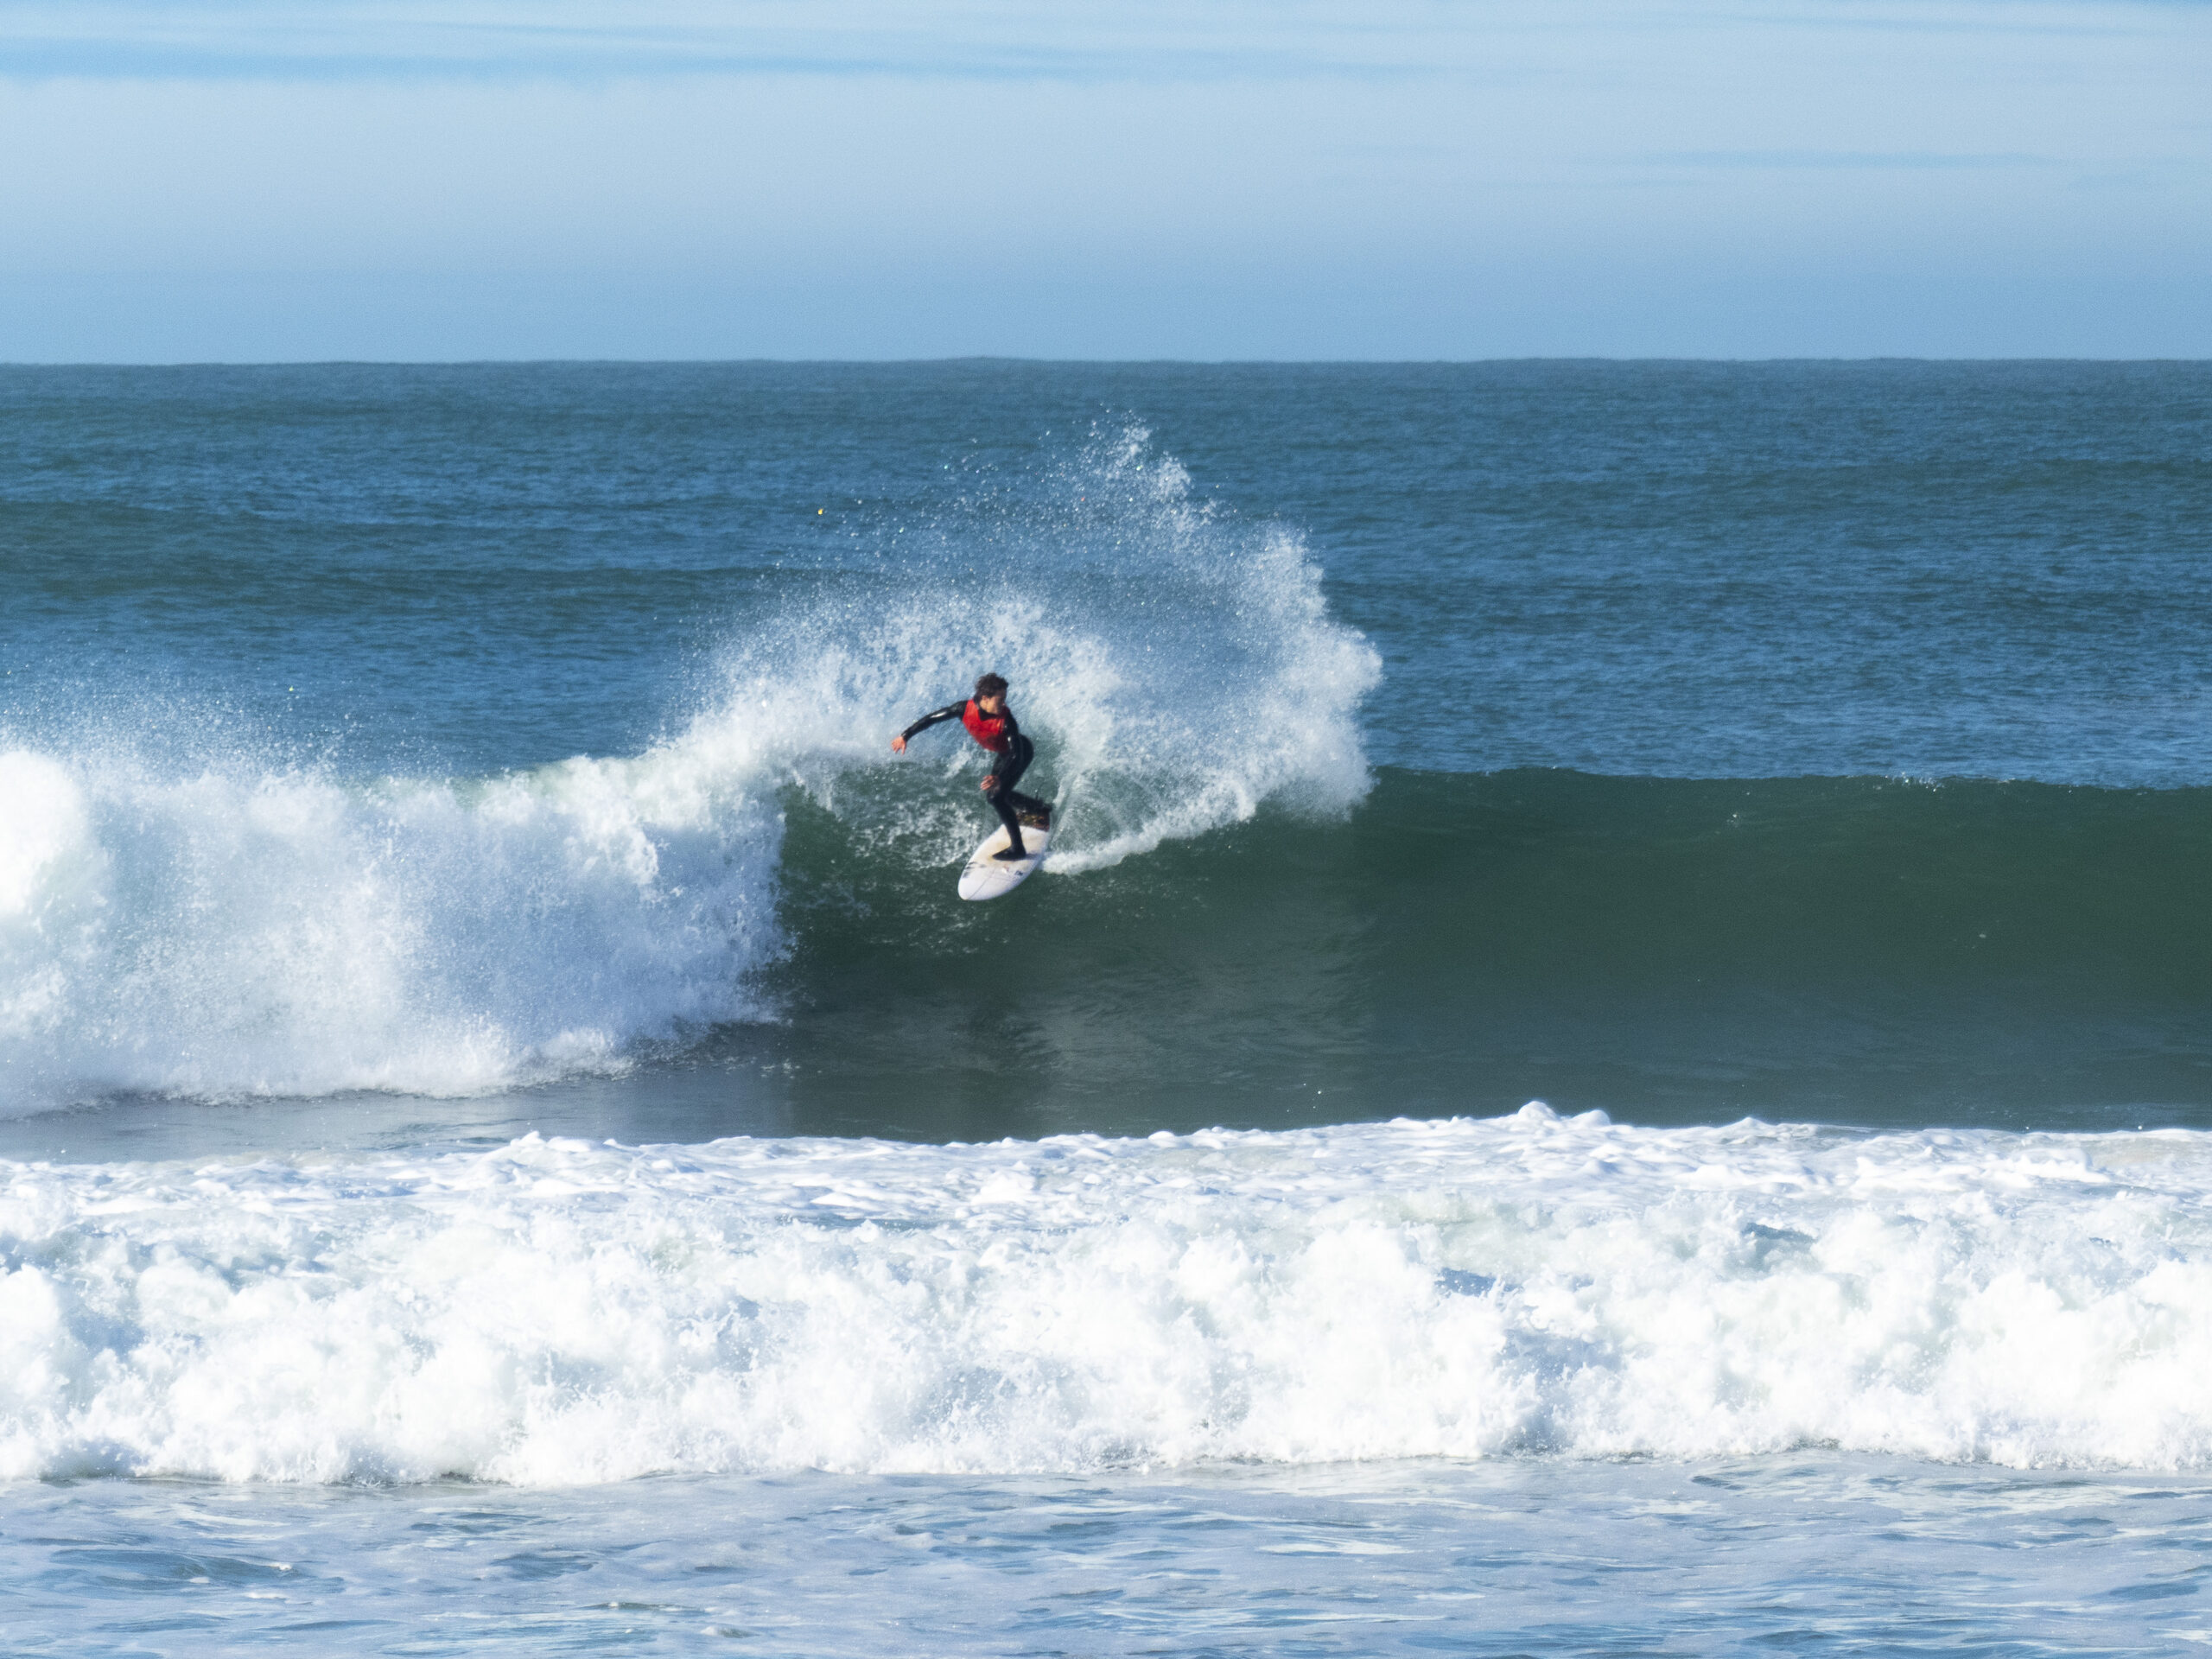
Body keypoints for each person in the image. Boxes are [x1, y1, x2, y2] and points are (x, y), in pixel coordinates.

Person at [892, 672, 1052, 860]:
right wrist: (905, 736)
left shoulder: (1007, 721)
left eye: (1004, 700)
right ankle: (1037, 807)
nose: (1004, 705)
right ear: (985, 698)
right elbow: (932, 718)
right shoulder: (963, 708)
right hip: (1004, 754)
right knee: (996, 795)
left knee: (996, 797)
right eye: (1000, 701)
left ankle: (1018, 849)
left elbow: (1016, 754)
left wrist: (999, 778)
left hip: (1020, 754)